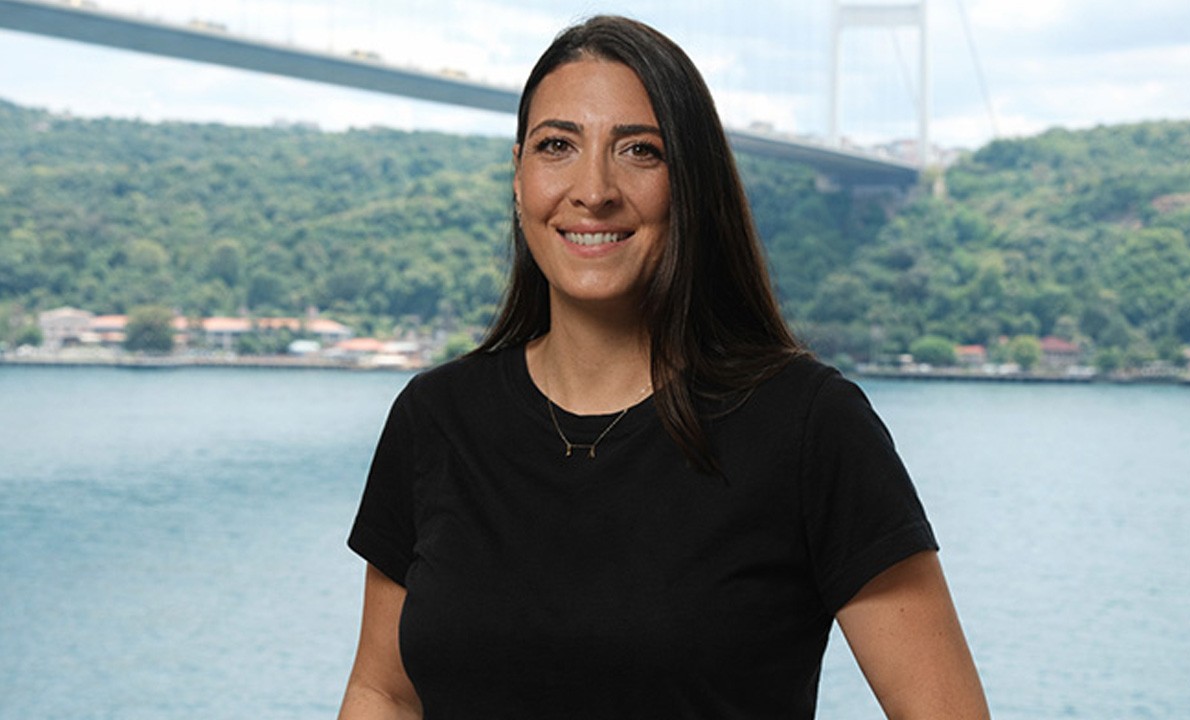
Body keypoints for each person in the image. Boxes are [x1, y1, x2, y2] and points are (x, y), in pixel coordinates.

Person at [338, 15, 988, 720]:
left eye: (640, 151)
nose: (593, 190)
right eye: (557, 145)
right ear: (519, 176)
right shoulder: (435, 418)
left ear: (692, 183)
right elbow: (384, 693)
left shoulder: (809, 426)